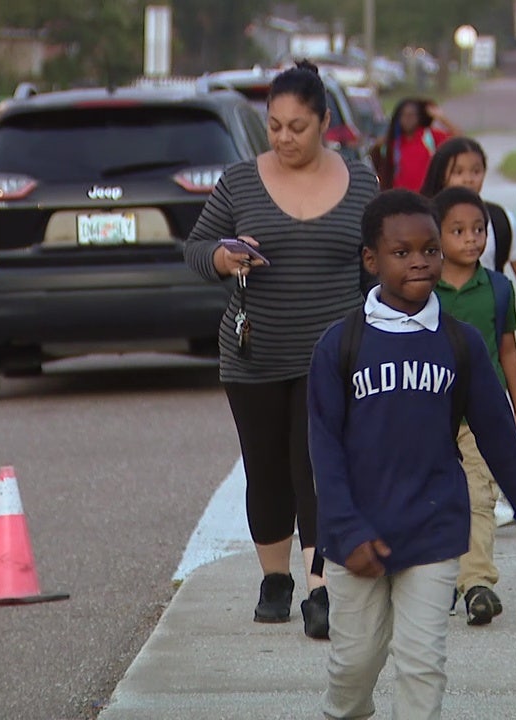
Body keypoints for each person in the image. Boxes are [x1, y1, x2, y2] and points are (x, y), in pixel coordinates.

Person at [308, 189, 516, 720]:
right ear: (371, 260)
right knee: (354, 665)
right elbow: (324, 453)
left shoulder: (459, 343)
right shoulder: (338, 346)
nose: (419, 260)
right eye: (402, 252)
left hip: (434, 530)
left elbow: (498, 437)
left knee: (422, 665)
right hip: (357, 537)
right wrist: (347, 531)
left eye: (429, 249)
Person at [183, 59, 380, 641]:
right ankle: (275, 579)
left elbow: (379, 259)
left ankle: (319, 586)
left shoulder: (362, 180)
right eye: (274, 126)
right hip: (254, 353)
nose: (284, 137)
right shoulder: (240, 182)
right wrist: (223, 257)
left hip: (333, 355)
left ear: (324, 123)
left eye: (297, 126)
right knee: (266, 469)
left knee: (316, 466)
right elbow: (196, 249)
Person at [420, 136, 516, 528]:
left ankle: (478, 557)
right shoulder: (422, 223)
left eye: (477, 170)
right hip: (433, 381)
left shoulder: (499, 220)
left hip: (484, 365)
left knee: (479, 477)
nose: (469, 178)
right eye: (459, 170)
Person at [430, 185, 516, 626]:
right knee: (432, 498)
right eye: (459, 231)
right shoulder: (421, 289)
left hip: (480, 417)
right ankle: (437, 578)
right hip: (427, 412)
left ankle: (478, 584)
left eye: (479, 230)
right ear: (437, 237)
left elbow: (508, 351)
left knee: (478, 498)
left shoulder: (500, 289)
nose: (471, 239)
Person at [370, 98, 462, 192]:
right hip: (401, 198)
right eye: (404, 115)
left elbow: (459, 138)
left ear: (419, 117)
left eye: (412, 115)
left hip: (428, 195)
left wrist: (440, 117)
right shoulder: (393, 142)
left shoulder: (429, 136)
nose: (408, 119)